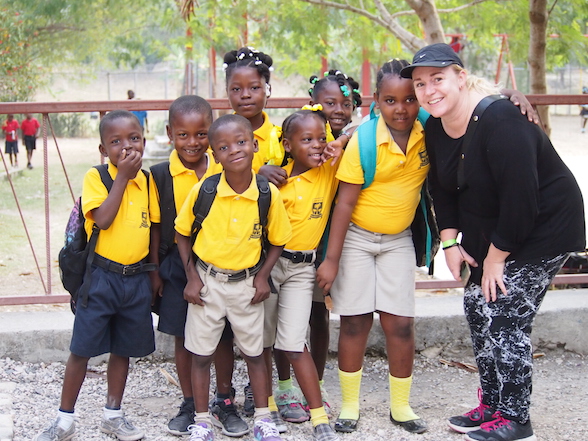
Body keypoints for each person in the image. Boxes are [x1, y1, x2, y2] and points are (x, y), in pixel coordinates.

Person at [401, 43, 585, 441]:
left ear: (460, 77)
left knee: (504, 315)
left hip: (544, 225)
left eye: (438, 79)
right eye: (420, 84)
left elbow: (522, 199)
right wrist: (449, 243)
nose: (429, 90)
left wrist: (496, 259)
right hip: (497, 226)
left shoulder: (501, 119)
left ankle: (518, 420)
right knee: (474, 303)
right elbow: (442, 190)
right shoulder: (435, 126)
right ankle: (493, 404)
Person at [316, 58, 430, 435]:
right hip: (357, 241)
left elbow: (473, 108)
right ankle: (350, 405)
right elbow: (344, 204)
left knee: (399, 324)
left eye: (410, 99)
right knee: (355, 322)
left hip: (397, 240)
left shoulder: (430, 130)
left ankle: (402, 406)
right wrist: (331, 261)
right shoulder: (364, 140)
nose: (401, 109)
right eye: (391, 100)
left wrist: (512, 96)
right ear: (377, 102)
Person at [33, 110, 156, 441]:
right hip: (101, 278)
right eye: (115, 142)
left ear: (143, 142)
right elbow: (102, 219)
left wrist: (154, 271)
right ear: (103, 150)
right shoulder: (97, 177)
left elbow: (154, 228)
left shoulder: (147, 180)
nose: (126, 147)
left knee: (123, 349)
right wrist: (122, 178)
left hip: (136, 279)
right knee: (82, 349)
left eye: (134, 138)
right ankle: (64, 420)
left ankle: (112, 416)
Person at [174, 114, 292, 441]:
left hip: (247, 284)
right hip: (207, 282)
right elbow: (182, 233)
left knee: (255, 353)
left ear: (255, 145)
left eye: (241, 142)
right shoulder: (205, 191)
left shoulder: (267, 193)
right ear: (214, 155)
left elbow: (279, 239)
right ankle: (201, 420)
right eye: (224, 147)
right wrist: (192, 278)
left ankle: (264, 418)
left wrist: (264, 276)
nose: (235, 150)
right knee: (201, 355)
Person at [221, 47, 308, 425]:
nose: (245, 96)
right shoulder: (222, 134)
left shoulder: (279, 135)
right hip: (233, 248)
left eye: (253, 88)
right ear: (227, 92)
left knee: (277, 327)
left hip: (274, 245)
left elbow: (295, 172)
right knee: (239, 329)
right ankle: (237, 396)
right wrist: (256, 176)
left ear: (267, 90)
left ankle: (282, 391)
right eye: (236, 89)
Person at [262, 107, 341, 441]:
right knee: (261, 343)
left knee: (295, 342)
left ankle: (319, 417)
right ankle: (265, 409)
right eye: (306, 139)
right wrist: (260, 175)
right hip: (266, 266)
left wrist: (340, 140)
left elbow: (357, 136)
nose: (316, 145)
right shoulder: (275, 181)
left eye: (321, 138)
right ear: (287, 144)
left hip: (301, 269)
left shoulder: (328, 172)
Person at [148, 95, 224, 436]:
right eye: (183, 135)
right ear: (170, 133)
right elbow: (154, 226)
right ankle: (191, 401)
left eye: (201, 134)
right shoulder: (160, 175)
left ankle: (224, 400)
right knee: (182, 336)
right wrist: (153, 270)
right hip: (176, 267)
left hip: (222, 263)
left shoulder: (226, 167)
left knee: (222, 335)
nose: (192, 142)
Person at [304, 69, 363, 413]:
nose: (338, 109)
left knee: (320, 315)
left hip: (338, 239)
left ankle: (319, 383)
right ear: (313, 103)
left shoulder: (359, 135)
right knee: (296, 315)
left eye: (346, 102)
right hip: (304, 237)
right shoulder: (304, 133)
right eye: (329, 103)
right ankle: (284, 385)